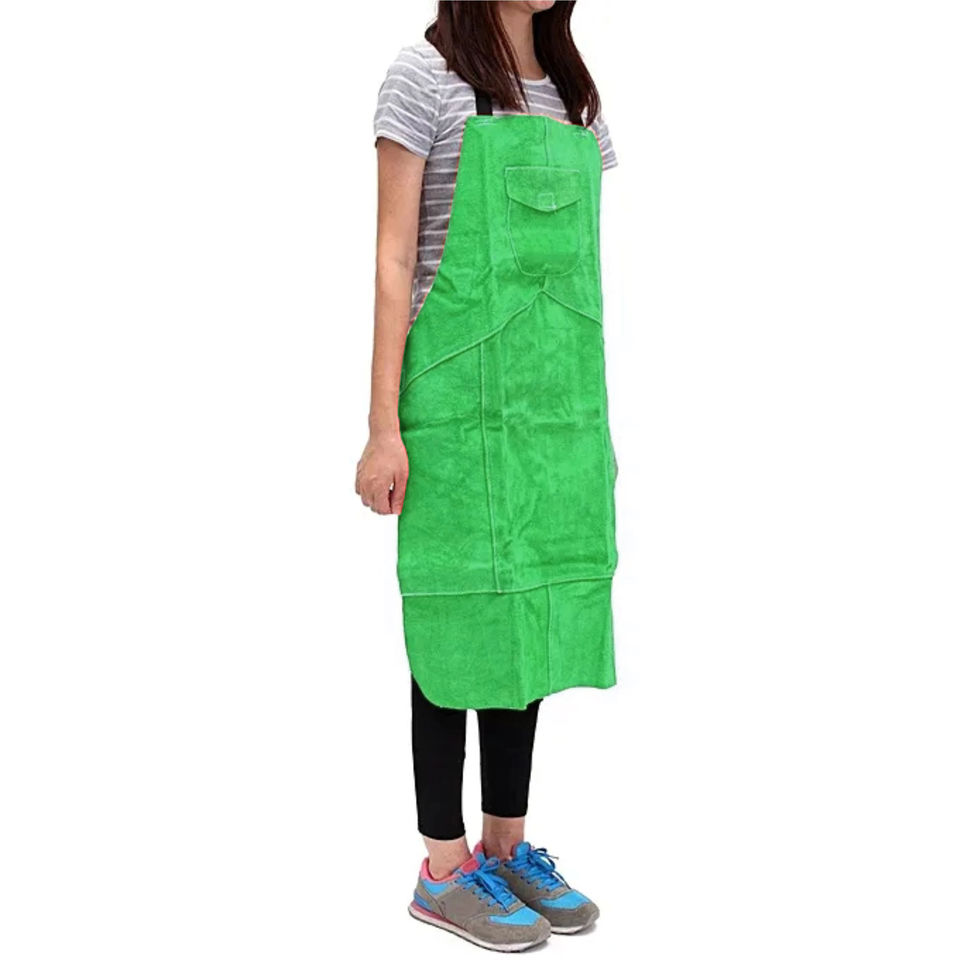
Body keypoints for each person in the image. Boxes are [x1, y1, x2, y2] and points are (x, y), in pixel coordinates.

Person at [356, 1, 619, 951]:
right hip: (454, 399)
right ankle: (443, 869)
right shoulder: (423, 78)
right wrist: (382, 427)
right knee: (456, 613)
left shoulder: (574, 96)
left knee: (531, 614)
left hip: (553, 405)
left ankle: (506, 851)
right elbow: (394, 261)